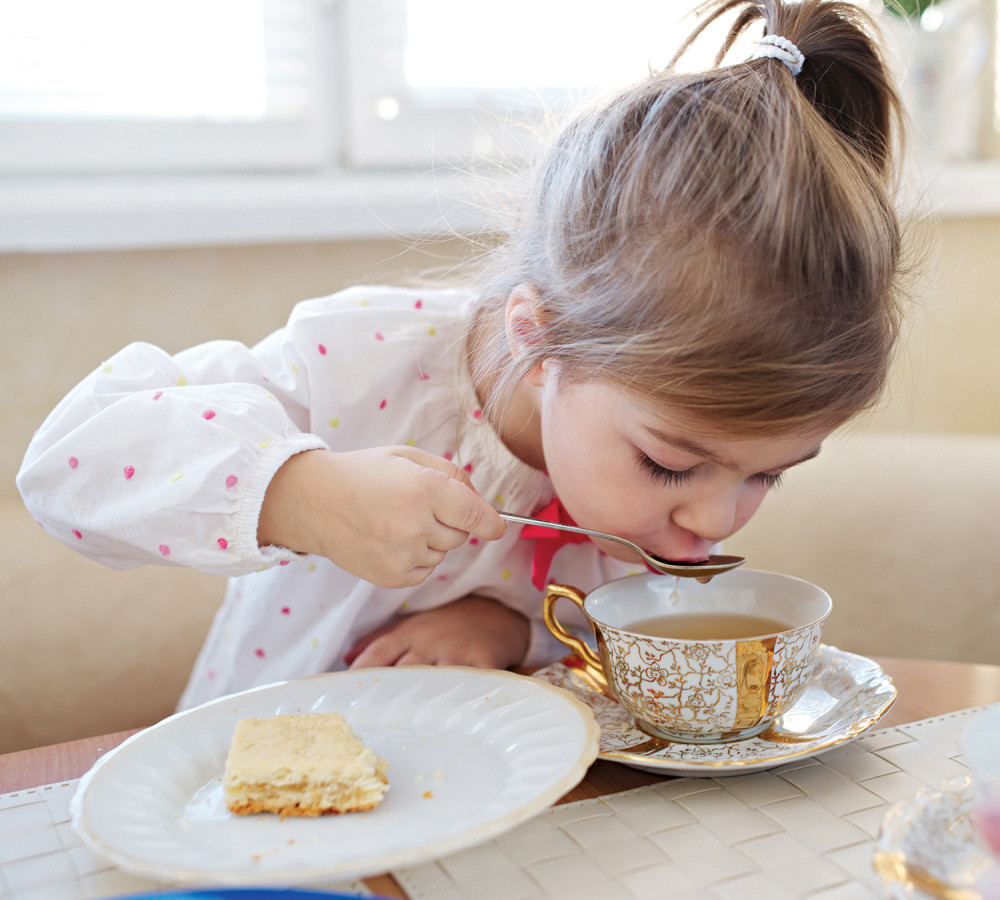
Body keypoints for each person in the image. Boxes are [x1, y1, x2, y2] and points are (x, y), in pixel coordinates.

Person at [17, 0, 909, 710]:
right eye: (670, 463)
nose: (717, 523)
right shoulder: (364, 364)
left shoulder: (644, 477)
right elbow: (67, 468)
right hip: (257, 811)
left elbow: (597, 659)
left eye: (769, 476)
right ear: (539, 335)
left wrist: (502, 627)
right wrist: (299, 495)